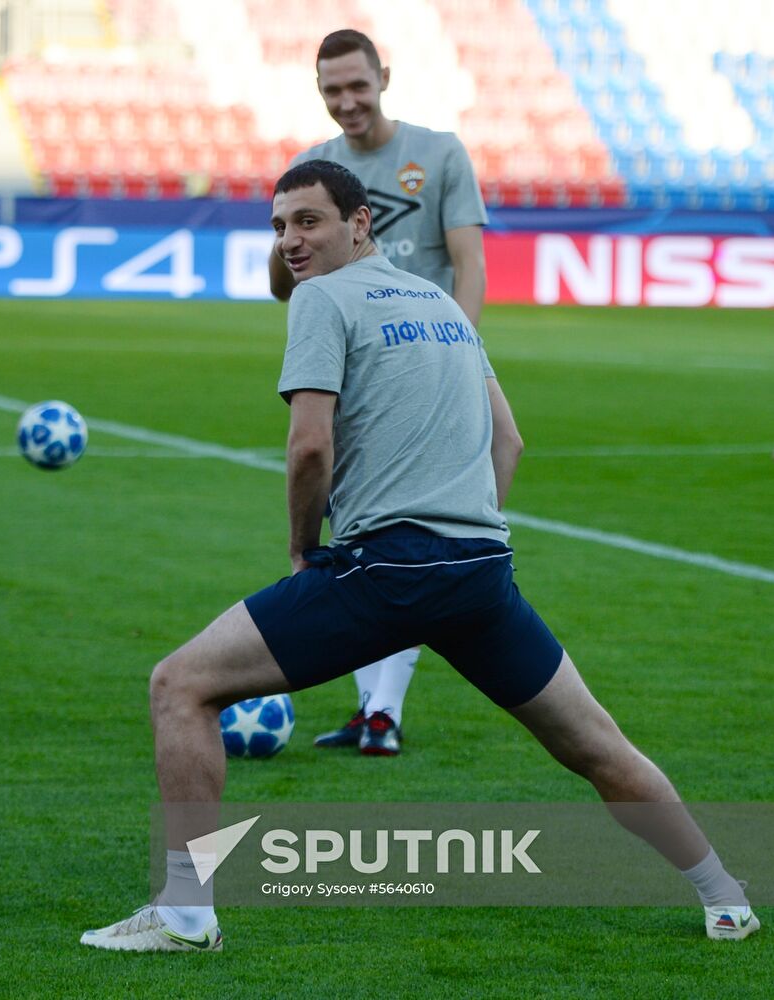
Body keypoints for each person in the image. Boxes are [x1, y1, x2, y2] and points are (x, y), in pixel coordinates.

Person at [81, 161, 759, 951]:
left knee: (181, 685)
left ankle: (185, 914)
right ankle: (722, 895)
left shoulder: (322, 299)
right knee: (595, 745)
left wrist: (304, 548)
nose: (290, 241)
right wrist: (465, 535)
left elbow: (309, 447)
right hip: (478, 575)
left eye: (308, 221)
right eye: (279, 226)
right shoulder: (441, 305)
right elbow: (509, 440)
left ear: (359, 222)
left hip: (384, 571)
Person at [270, 29, 490, 755]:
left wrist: (461, 352)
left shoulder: (440, 153)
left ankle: (382, 711)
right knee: (368, 529)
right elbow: (283, 278)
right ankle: (378, 711)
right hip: (353, 360)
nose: (346, 102)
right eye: (331, 90)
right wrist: (290, 240)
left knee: (405, 527)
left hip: (427, 358)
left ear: (383, 78)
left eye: (357, 86)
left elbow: (468, 264)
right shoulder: (317, 168)